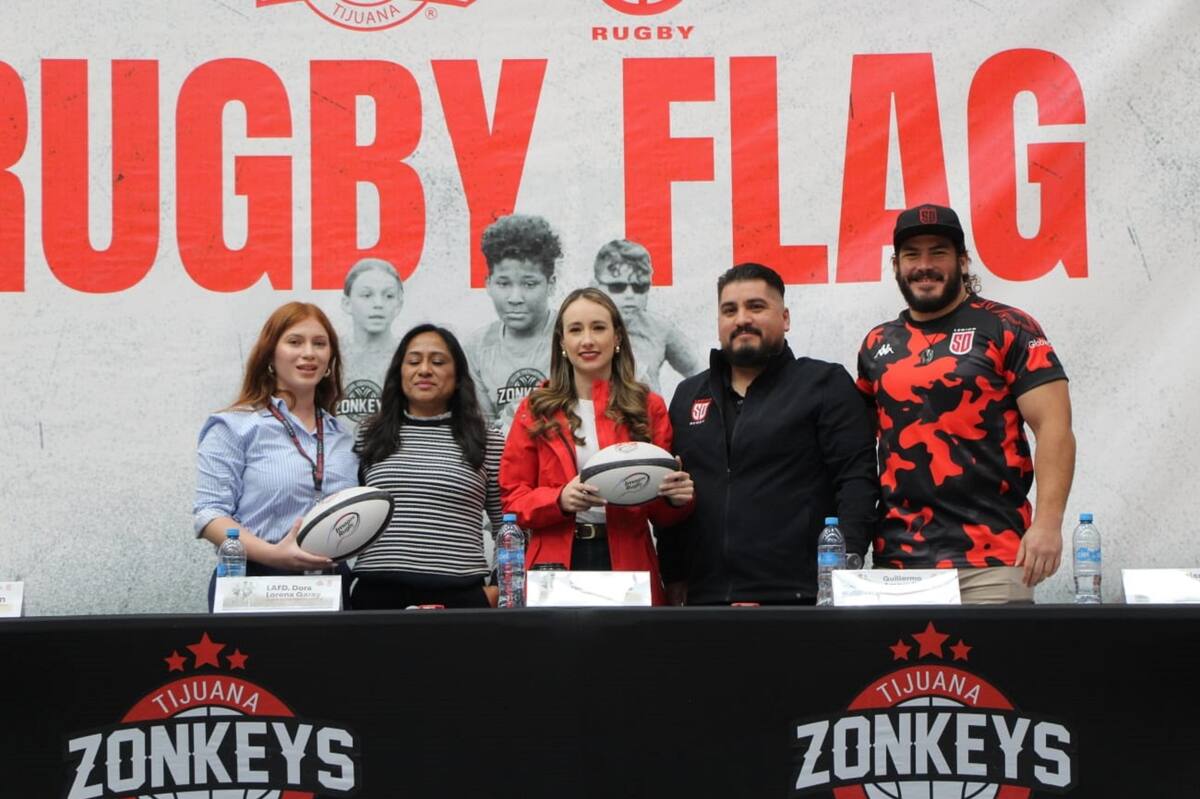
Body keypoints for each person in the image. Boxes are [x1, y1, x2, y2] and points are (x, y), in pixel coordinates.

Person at [856, 204, 1075, 604]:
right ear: (896, 265)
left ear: (962, 260)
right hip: (900, 562)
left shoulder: (1009, 326)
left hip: (994, 559)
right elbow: (858, 451)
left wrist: (1048, 524)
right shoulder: (876, 344)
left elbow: (1054, 428)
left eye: (938, 252)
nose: (924, 266)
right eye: (911, 254)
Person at [656, 263, 879, 606]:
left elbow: (856, 480)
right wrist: (673, 575)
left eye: (756, 307)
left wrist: (843, 572)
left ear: (785, 318)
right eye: (730, 310)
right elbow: (674, 493)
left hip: (802, 600)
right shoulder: (688, 395)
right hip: (706, 601)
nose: (742, 319)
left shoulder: (824, 384)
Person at [499, 288, 694, 605]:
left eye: (598, 328)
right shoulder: (535, 410)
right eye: (576, 330)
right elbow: (512, 500)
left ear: (617, 337)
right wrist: (559, 500)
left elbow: (662, 515)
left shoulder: (648, 407)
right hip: (553, 566)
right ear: (562, 342)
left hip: (629, 562)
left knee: (630, 640)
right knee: (556, 641)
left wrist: (676, 500)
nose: (587, 340)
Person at [194, 302, 359, 607]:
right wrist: (275, 556)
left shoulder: (343, 437)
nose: (308, 353)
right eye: (295, 342)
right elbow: (210, 514)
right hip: (253, 581)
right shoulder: (235, 425)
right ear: (270, 355)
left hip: (328, 584)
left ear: (330, 360)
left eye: (319, 344)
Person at [351, 324, 505, 609]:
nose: (424, 370)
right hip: (377, 596)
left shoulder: (487, 440)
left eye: (438, 362)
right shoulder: (368, 434)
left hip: (460, 598)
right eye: (413, 361)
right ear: (399, 372)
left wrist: (498, 587)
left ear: (457, 376)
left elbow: (507, 525)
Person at [465, 214, 560, 434]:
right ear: (488, 284)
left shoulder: (573, 336)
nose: (515, 298)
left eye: (529, 284)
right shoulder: (476, 348)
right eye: (504, 283)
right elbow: (484, 430)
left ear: (551, 284)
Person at [592, 239, 700, 393]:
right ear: (595, 287)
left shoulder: (659, 329)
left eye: (639, 287)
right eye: (618, 286)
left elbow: (699, 370)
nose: (630, 295)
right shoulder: (575, 329)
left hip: (649, 408)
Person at [335, 258, 404, 431]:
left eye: (388, 296)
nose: (378, 304)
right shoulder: (329, 356)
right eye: (367, 295)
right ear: (346, 303)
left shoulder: (409, 359)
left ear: (398, 305)